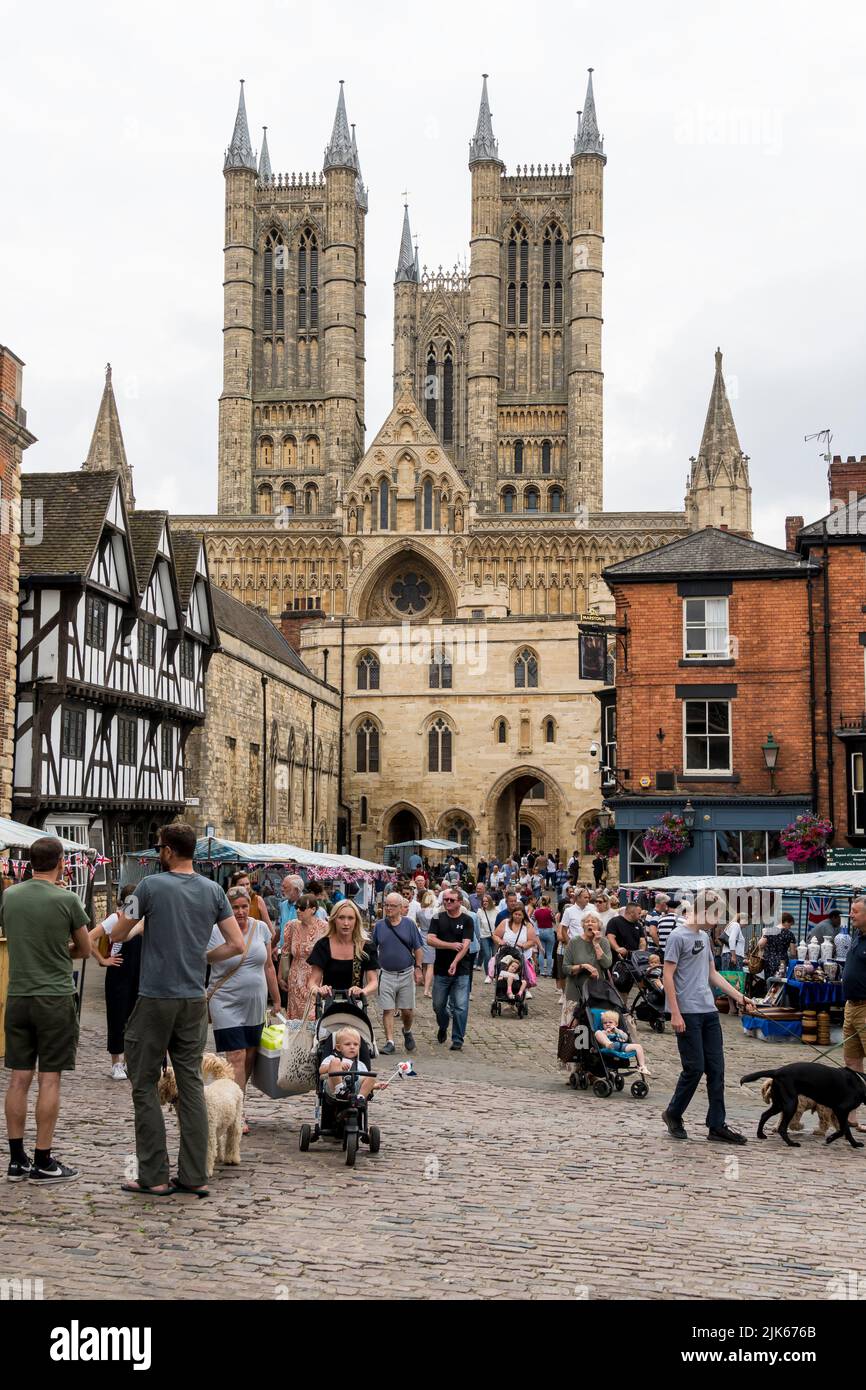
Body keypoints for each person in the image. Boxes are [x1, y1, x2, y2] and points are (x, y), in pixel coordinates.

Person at [112, 822, 244, 1197]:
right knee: (190, 1085)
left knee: (144, 1084)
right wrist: (203, 958)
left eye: (158, 848)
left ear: (168, 851)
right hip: (192, 999)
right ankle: (194, 1174)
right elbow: (237, 945)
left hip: (156, 997)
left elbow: (120, 932)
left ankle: (153, 1174)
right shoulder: (214, 890)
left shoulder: (150, 886)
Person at [3, 836, 92, 1184]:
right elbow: (84, 949)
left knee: (18, 1078)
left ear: (29, 863)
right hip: (53, 996)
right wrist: (58, 950)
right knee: (49, 1078)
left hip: (18, 995)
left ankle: (15, 1159)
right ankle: (43, 1159)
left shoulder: (10, 896)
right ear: (60, 863)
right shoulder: (67, 899)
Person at [661, 903, 756, 1145]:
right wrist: (675, 1012)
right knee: (694, 1068)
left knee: (716, 1069)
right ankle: (673, 1113)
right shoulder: (677, 936)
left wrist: (740, 997)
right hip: (688, 1013)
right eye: (715, 916)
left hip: (709, 1011)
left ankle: (716, 1125)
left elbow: (712, 974)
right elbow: (668, 976)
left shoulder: (704, 936)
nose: (717, 922)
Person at [207, 886, 281, 1133]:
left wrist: (277, 998)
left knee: (249, 1057)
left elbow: (269, 966)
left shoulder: (260, 929)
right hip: (226, 1000)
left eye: (243, 906)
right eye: (234, 907)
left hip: (255, 1002)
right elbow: (202, 960)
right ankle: (235, 1116)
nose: (239, 912)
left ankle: (235, 1102)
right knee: (235, 1056)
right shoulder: (215, 931)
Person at [89, 881, 143, 1080]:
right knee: (117, 1018)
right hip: (118, 974)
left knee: (134, 1020)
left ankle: (130, 1062)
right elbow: (90, 937)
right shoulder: (116, 918)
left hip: (139, 974)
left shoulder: (143, 921)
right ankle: (116, 1063)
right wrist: (103, 960)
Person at [372, 892, 424, 1054]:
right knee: (387, 1009)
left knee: (407, 1010)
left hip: (406, 972)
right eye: (386, 905)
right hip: (386, 973)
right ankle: (390, 1041)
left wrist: (418, 968)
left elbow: (418, 948)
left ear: (401, 908)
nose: (388, 908)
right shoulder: (379, 926)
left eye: (392, 906)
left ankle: (407, 1031)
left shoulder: (409, 924)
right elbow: (373, 949)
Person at [427, 887, 474, 1050]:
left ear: (459, 902)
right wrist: (450, 945)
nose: (447, 902)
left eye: (451, 900)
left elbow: (466, 944)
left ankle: (457, 1039)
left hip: (461, 970)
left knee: (460, 1006)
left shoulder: (467, 920)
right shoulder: (438, 918)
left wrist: (455, 962)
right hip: (440, 970)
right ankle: (443, 1024)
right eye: (445, 899)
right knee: (438, 1005)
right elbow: (430, 940)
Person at [307, 899, 379, 1003]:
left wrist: (363, 991)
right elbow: (312, 982)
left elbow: (373, 981)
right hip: (329, 1005)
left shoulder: (365, 946)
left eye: (350, 918)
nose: (346, 923)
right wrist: (319, 990)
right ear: (334, 919)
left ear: (356, 921)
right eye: (341, 918)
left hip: (355, 1005)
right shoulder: (323, 945)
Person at [281, 893, 328, 1019]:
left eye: (302, 908)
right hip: (295, 978)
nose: (298, 910)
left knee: (314, 1015)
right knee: (296, 1017)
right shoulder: (292, 926)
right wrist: (281, 976)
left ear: (313, 909)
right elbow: (285, 952)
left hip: (316, 977)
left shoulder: (325, 927)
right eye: (297, 907)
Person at [841, 897, 866, 1133]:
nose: (851, 915)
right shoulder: (857, 936)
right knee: (851, 1062)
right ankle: (851, 1114)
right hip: (851, 1007)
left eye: (855, 911)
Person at [561, 912, 612, 1018]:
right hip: (575, 991)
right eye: (586, 922)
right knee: (574, 1029)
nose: (590, 924)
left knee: (593, 1028)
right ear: (583, 925)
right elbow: (565, 968)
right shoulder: (574, 942)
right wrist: (583, 966)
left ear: (599, 925)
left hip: (596, 993)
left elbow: (607, 964)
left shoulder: (604, 942)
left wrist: (596, 944)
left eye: (593, 921)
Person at [319, 1026, 376, 1101]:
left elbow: (364, 1081)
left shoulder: (360, 1064)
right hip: (333, 1088)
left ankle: (360, 1098)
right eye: (347, 1044)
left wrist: (375, 1085)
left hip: (354, 1089)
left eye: (355, 1045)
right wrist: (338, 1065)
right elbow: (321, 1070)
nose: (352, 1047)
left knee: (370, 1076)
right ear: (339, 1048)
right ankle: (340, 1089)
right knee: (335, 1062)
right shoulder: (333, 1058)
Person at [595, 1011, 651, 1076]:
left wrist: (617, 1031)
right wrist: (606, 1033)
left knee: (638, 1046)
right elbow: (599, 1037)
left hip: (621, 1046)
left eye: (610, 1022)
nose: (607, 1024)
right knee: (598, 1033)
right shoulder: (603, 1032)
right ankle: (608, 1043)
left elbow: (626, 1038)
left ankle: (642, 1066)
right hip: (609, 1046)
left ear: (616, 1024)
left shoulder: (619, 1031)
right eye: (605, 1023)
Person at [228, 871, 274, 938]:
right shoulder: (229, 901)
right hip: (235, 938)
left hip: (256, 939)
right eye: (242, 885)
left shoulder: (257, 900)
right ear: (234, 886)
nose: (245, 887)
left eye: (247, 884)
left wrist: (273, 942)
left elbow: (268, 923)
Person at [757, 913, 797, 981]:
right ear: (786, 921)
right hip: (782, 962)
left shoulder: (770, 931)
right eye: (790, 924)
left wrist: (764, 934)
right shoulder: (790, 934)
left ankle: (769, 991)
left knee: (769, 981)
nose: (790, 927)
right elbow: (793, 953)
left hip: (768, 961)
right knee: (780, 983)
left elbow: (760, 944)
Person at [532, 895, 556, 978]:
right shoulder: (550, 911)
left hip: (540, 931)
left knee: (541, 952)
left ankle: (542, 971)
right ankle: (549, 971)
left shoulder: (536, 911)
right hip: (549, 931)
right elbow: (554, 920)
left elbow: (533, 920)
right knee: (549, 953)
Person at [475, 892, 497, 980]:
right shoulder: (479, 912)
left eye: (487, 901)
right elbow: (478, 925)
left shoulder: (496, 911)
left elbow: (498, 924)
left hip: (495, 936)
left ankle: (494, 973)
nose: (485, 903)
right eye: (483, 901)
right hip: (484, 936)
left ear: (490, 902)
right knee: (487, 955)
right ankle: (488, 975)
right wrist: (480, 935)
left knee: (495, 955)